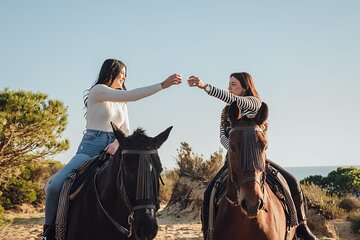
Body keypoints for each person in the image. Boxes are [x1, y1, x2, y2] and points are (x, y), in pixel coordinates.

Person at [43, 58, 182, 239]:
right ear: (110, 72)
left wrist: (118, 143)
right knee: (54, 186)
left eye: (125, 73)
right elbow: (130, 95)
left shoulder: (120, 102)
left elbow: (124, 130)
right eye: (121, 72)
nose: (124, 77)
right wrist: (162, 85)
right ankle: (50, 233)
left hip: (117, 148)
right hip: (90, 148)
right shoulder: (98, 91)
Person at [188, 72, 316, 240]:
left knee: (291, 181)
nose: (229, 88)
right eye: (229, 84)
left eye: (233, 84)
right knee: (209, 193)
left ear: (245, 86)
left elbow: (238, 103)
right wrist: (235, 150)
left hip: (256, 161)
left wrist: (205, 86)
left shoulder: (254, 104)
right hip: (233, 161)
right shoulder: (226, 111)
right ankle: (209, 233)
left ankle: (301, 228)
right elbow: (222, 136)